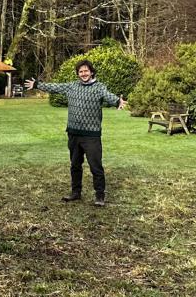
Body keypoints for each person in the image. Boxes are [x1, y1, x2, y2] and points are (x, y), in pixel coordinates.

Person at [26, 59, 128, 206]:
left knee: (95, 166)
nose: (83, 73)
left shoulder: (99, 87)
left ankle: (99, 196)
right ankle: (76, 193)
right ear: (78, 74)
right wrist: (37, 85)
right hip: (73, 134)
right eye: (81, 71)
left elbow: (108, 95)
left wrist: (117, 101)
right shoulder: (72, 86)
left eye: (86, 71)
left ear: (91, 72)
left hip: (91, 135)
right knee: (75, 165)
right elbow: (55, 87)